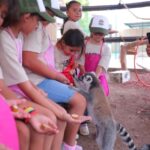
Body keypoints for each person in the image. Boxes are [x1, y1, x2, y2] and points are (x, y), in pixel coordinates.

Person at [22, 1, 89, 149]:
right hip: (36, 80)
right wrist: (57, 76)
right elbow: (29, 60)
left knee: (66, 109)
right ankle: (69, 145)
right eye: (49, 14)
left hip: (38, 79)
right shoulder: (37, 28)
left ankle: (67, 143)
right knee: (80, 100)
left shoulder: (41, 27)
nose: (51, 19)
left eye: (53, 16)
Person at [79, 15, 111, 97]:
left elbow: (100, 66)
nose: (99, 36)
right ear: (91, 31)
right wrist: (85, 75)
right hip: (84, 73)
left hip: (98, 75)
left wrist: (94, 79)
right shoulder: (84, 44)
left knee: (100, 91)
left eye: (101, 34)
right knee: (80, 91)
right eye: (96, 33)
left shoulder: (105, 48)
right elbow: (81, 61)